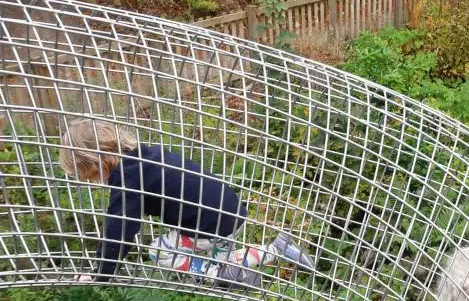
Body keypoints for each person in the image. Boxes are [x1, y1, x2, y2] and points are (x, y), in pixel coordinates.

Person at [59, 118, 313, 287]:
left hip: (209, 226)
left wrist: (100, 273)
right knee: (227, 260)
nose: (96, 183)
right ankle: (278, 249)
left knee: (159, 249)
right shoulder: (149, 155)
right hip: (229, 212)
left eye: (92, 177)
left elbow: (120, 228)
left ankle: (217, 276)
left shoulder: (127, 177)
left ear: (98, 163)